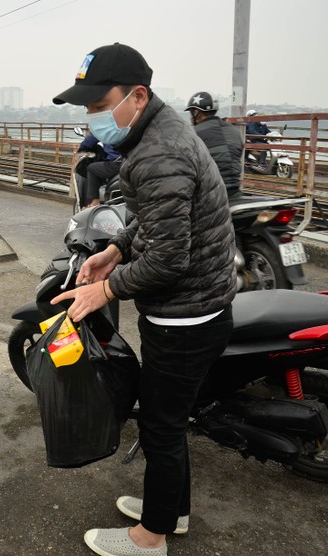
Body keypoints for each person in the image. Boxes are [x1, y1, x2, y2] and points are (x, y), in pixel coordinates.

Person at [50, 43, 236, 556]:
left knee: (161, 425)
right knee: (169, 422)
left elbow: (170, 258)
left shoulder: (158, 151)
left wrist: (104, 288)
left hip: (187, 315)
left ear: (138, 95)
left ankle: (150, 537)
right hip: (196, 305)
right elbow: (153, 222)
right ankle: (170, 511)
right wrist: (114, 251)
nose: (93, 117)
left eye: (97, 104)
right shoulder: (157, 130)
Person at [185, 91, 243, 198]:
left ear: (196, 112)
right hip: (235, 190)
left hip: (209, 194)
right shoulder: (234, 131)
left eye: (191, 113)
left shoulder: (192, 134)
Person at [77, 132, 122, 207]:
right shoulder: (131, 123)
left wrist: (82, 148)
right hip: (131, 162)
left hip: (116, 163)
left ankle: (94, 202)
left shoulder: (108, 125)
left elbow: (91, 138)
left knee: (92, 168)